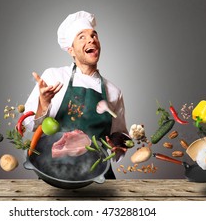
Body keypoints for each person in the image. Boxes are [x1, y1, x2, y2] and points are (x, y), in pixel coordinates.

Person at [24, 10, 128, 178]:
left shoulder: (113, 92)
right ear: (71, 50)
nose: (91, 39)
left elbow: (120, 136)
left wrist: (117, 145)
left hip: (99, 175)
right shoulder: (54, 77)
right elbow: (29, 126)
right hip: (57, 173)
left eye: (94, 35)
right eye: (82, 36)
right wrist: (43, 104)